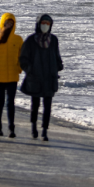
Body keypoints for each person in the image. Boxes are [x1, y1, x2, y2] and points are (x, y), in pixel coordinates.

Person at [19, 13, 63, 141]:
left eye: (48, 24)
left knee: (48, 105)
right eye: (43, 23)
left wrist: (58, 66)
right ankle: (34, 127)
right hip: (36, 78)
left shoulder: (53, 40)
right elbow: (23, 59)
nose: (45, 26)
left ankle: (44, 130)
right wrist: (30, 70)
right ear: (38, 24)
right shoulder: (31, 40)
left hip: (50, 77)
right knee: (35, 104)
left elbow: (56, 55)